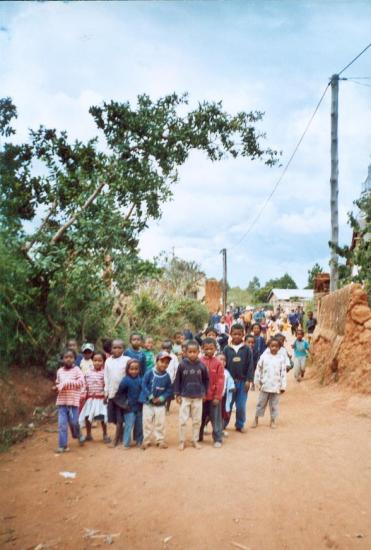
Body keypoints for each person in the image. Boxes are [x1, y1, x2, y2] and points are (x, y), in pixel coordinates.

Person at [174, 340, 209, 451]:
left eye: (195, 352)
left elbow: (206, 381)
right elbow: (177, 380)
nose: (192, 354)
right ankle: (182, 441)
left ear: (199, 352)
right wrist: (177, 394)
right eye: (190, 352)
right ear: (185, 352)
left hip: (198, 397)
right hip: (185, 396)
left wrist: (204, 393)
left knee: (197, 420)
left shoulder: (202, 366)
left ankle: (195, 440)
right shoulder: (182, 365)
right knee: (183, 420)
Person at [223, 324, 254, 433]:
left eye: (239, 334)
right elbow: (223, 365)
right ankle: (223, 423)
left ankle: (240, 424)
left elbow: (250, 365)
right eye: (234, 334)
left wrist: (248, 380)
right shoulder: (226, 349)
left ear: (243, 335)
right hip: (229, 384)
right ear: (231, 334)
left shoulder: (247, 349)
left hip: (242, 382)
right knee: (228, 404)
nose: (237, 336)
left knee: (241, 406)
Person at [140, 351, 173, 449]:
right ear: (156, 361)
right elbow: (143, 384)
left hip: (160, 404)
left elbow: (169, 389)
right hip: (148, 403)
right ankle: (146, 440)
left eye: (167, 363)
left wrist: (162, 398)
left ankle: (160, 440)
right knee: (147, 422)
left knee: (160, 422)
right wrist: (150, 396)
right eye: (162, 361)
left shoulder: (167, 376)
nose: (164, 364)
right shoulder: (149, 372)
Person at [54, 349, 85, 453]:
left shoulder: (77, 370)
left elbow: (81, 382)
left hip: (73, 402)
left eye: (71, 357)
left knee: (74, 422)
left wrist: (67, 383)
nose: (68, 359)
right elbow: (58, 383)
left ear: (74, 359)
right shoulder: (59, 371)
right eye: (66, 357)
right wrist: (55, 387)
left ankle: (78, 434)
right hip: (62, 402)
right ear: (62, 359)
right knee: (62, 424)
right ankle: (63, 445)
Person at [253, 338, 287, 429]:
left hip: (276, 387)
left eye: (276, 346)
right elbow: (258, 369)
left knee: (274, 405)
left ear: (279, 348)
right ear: (269, 346)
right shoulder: (264, 357)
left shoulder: (281, 358)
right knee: (261, 403)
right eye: (272, 346)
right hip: (265, 385)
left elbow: (283, 373)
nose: (274, 348)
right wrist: (257, 382)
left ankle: (273, 420)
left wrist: (283, 386)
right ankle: (256, 419)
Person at [79, 351, 110, 444]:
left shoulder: (105, 373)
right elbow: (85, 385)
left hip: (101, 399)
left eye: (100, 360)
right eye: (95, 360)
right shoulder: (88, 373)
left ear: (104, 361)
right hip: (90, 399)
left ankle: (105, 434)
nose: (97, 362)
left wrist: (106, 396)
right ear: (92, 361)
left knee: (102, 417)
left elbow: (107, 385)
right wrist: (83, 396)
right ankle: (88, 434)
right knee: (88, 416)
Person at [199, 338, 224, 448]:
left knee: (216, 419)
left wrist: (217, 396)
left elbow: (220, 380)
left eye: (211, 348)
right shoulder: (199, 362)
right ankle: (198, 436)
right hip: (201, 398)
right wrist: (200, 394)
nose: (209, 351)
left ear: (215, 349)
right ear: (202, 349)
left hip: (214, 397)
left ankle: (217, 438)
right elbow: (197, 380)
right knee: (199, 418)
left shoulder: (218, 363)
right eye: (206, 348)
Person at [104, 339, 129, 447]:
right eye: (115, 347)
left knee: (119, 418)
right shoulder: (108, 361)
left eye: (120, 347)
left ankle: (115, 440)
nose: (117, 350)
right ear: (111, 349)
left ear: (124, 349)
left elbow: (131, 375)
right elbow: (106, 377)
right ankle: (122, 433)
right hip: (112, 393)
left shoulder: (127, 360)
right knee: (113, 418)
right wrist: (106, 392)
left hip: (122, 394)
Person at [115, 359, 143, 449]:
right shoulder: (125, 380)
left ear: (139, 369)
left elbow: (144, 391)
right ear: (127, 369)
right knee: (128, 425)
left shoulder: (141, 380)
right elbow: (119, 394)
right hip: (129, 407)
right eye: (131, 369)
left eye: (136, 369)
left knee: (139, 425)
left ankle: (139, 441)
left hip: (139, 407)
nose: (134, 371)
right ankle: (126, 443)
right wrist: (124, 403)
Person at [216, 353, 235, 437]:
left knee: (222, 414)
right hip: (213, 397)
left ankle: (221, 430)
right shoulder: (213, 370)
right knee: (210, 414)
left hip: (223, 397)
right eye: (221, 359)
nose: (223, 361)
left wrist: (232, 387)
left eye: (224, 360)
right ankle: (203, 426)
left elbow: (230, 382)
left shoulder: (227, 372)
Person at [161, 340, 179, 414]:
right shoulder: (160, 355)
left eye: (168, 348)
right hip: (161, 378)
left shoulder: (174, 357)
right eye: (164, 348)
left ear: (171, 348)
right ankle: (162, 406)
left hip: (170, 379)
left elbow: (176, 367)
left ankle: (167, 408)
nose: (166, 350)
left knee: (169, 395)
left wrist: (175, 377)